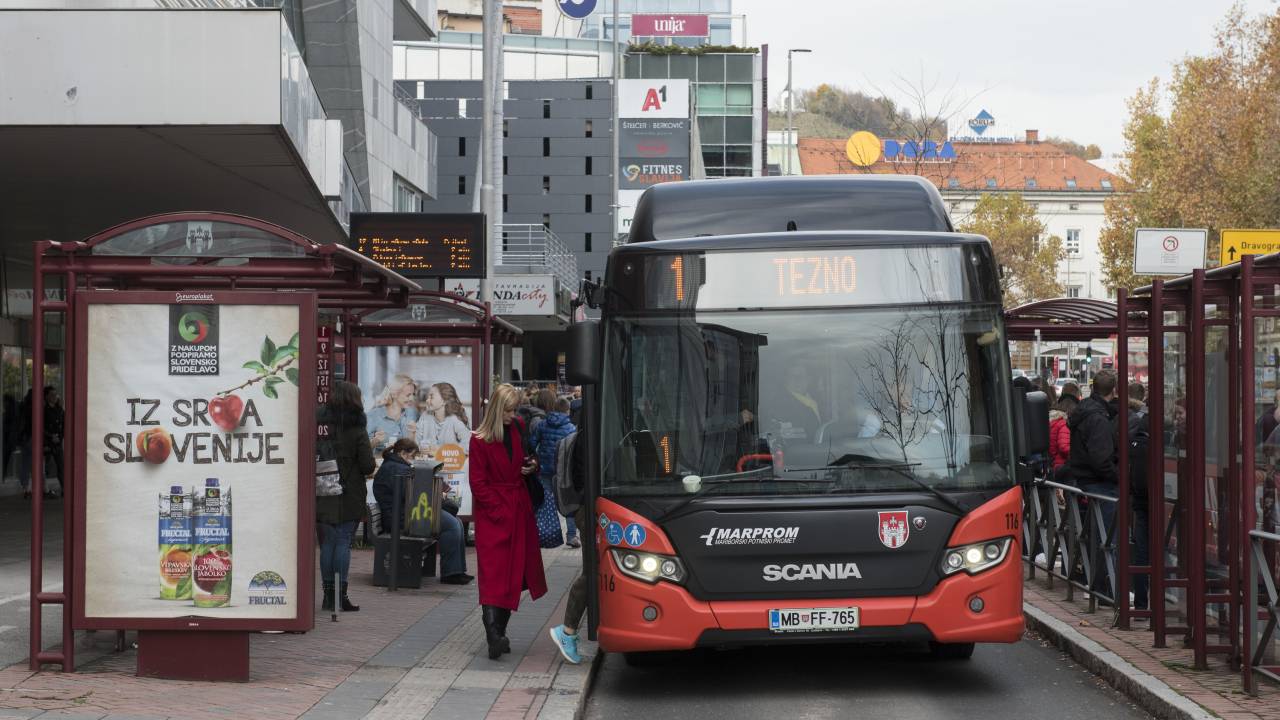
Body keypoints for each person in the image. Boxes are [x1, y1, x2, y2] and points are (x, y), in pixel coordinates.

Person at [469, 383, 547, 660]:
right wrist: (498, 510)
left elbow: (529, 455)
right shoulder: (479, 440)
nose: (512, 415)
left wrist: (532, 465)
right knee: (494, 573)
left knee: (515, 572)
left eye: (514, 410)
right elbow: (477, 483)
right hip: (495, 514)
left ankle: (498, 633)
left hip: (518, 507)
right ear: (496, 409)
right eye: (508, 410)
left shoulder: (517, 427)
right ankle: (493, 634)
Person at [373, 438, 473, 585]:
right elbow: (412, 494)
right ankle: (451, 573)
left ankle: (456, 571)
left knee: (455, 522)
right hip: (402, 518)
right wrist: (437, 495)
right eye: (413, 455)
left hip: (405, 514)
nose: (413, 459)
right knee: (452, 525)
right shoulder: (396, 469)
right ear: (402, 453)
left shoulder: (394, 466)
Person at [316, 381, 376, 612]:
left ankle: (327, 596)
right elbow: (368, 465)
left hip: (322, 491)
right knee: (343, 542)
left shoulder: (319, 424)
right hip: (349, 493)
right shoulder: (356, 427)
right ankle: (340, 597)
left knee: (327, 543)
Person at [1068, 370, 1120, 595]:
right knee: (1107, 539)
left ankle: (1098, 586)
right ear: (1114, 390)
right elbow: (1101, 459)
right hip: (1100, 483)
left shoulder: (1085, 410)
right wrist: (1118, 476)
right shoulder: (1098, 417)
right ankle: (1107, 589)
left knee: (1096, 536)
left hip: (1086, 480)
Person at [550, 418, 590, 664]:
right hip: (590, 511)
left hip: (591, 510)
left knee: (595, 571)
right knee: (593, 572)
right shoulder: (589, 438)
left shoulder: (587, 434)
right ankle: (567, 631)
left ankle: (568, 631)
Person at [534, 397, 577, 548]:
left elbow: (532, 443)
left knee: (544, 502)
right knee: (567, 501)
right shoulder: (571, 428)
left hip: (545, 469)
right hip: (562, 471)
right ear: (567, 410)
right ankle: (571, 536)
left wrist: (538, 459)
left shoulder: (542, 424)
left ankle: (542, 533)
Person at [1125, 382, 1151, 610]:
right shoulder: (1161, 429)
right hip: (1160, 500)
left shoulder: (1138, 427)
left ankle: (1142, 603)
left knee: (1142, 550)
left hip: (1140, 500)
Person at [767, 364, 824, 441]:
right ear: (786, 380)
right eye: (792, 376)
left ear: (808, 379)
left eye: (801, 376)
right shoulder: (780, 404)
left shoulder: (815, 399)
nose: (797, 380)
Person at [367, 374, 418, 455]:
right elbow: (363, 450)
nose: (412, 398)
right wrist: (375, 441)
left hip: (405, 462)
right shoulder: (373, 415)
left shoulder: (412, 413)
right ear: (394, 394)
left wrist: (413, 434)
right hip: (381, 462)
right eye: (408, 395)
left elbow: (414, 449)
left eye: (413, 394)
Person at [416, 382, 471, 452]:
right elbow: (416, 443)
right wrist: (420, 447)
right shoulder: (425, 416)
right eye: (428, 397)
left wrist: (441, 449)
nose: (427, 400)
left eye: (431, 397)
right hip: (427, 459)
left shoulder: (454, 420)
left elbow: (469, 445)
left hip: (449, 459)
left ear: (444, 401)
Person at [43, 387, 64, 498]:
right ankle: (45, 489)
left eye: (55, 395)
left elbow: (64, 425)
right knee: (45, 467)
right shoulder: (43, 410)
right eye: (52, 395)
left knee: (61, 466)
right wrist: (50, 436)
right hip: (47, 443)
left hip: (57, 442)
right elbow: (40, 427)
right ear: (46, 396)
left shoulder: (59, 410)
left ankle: (64, 488)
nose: (54, 397)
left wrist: (59, 437)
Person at [1049, 394, 1077, 474]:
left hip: (1053, 462)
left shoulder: (1054, 421)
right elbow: (1064, 447)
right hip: (1062, 463)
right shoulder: (1063, 424)